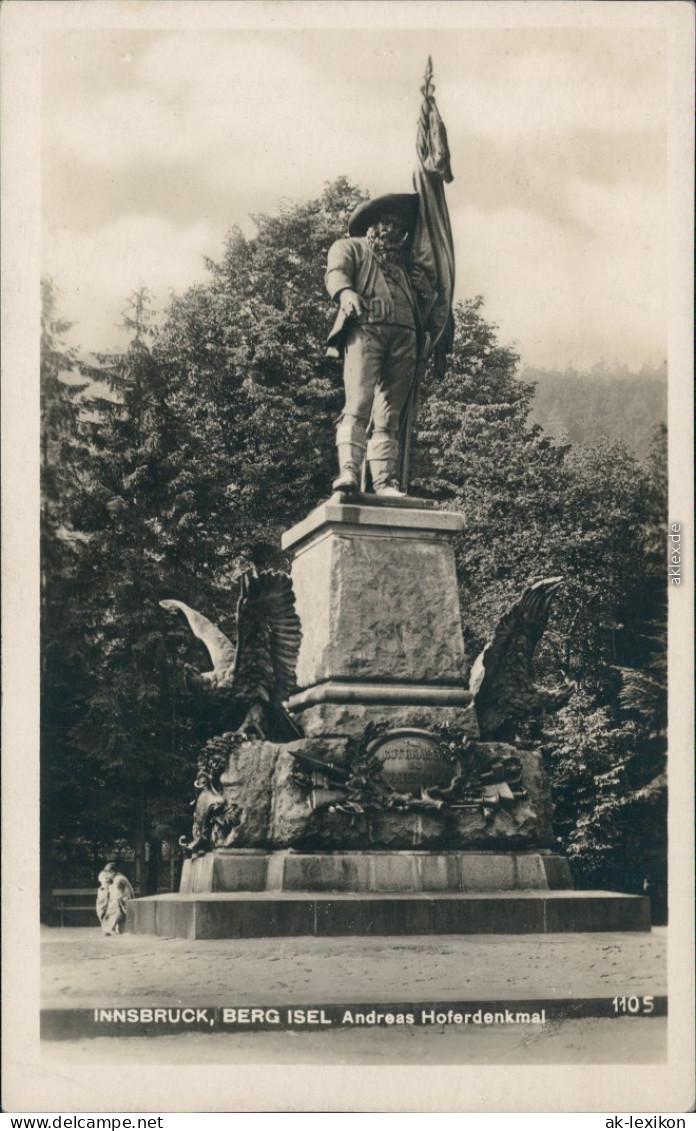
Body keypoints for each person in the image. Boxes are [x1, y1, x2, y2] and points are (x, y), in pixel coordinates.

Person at [325, 193, 433, 496]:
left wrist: (424, 293)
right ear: (373, 223)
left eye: (400, 224)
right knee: (358, 403)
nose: (394, 228)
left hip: (405, 337)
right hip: (366, 330)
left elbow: (425, 304)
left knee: (390, 415)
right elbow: (337, 273)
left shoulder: (405, 267)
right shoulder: (350, 248)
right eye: (388, 221)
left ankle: (384, 481)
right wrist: (346, 293)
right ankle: (349, 471)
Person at [96, 862, 134, 936]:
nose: (106, 876)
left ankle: (110, 928)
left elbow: (116, 898)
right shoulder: (116, 878)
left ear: (112, 872)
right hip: (123, 905)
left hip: (123, 906)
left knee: (112, 913)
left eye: (107, 874)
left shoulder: (118, 880)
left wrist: (108, 914)